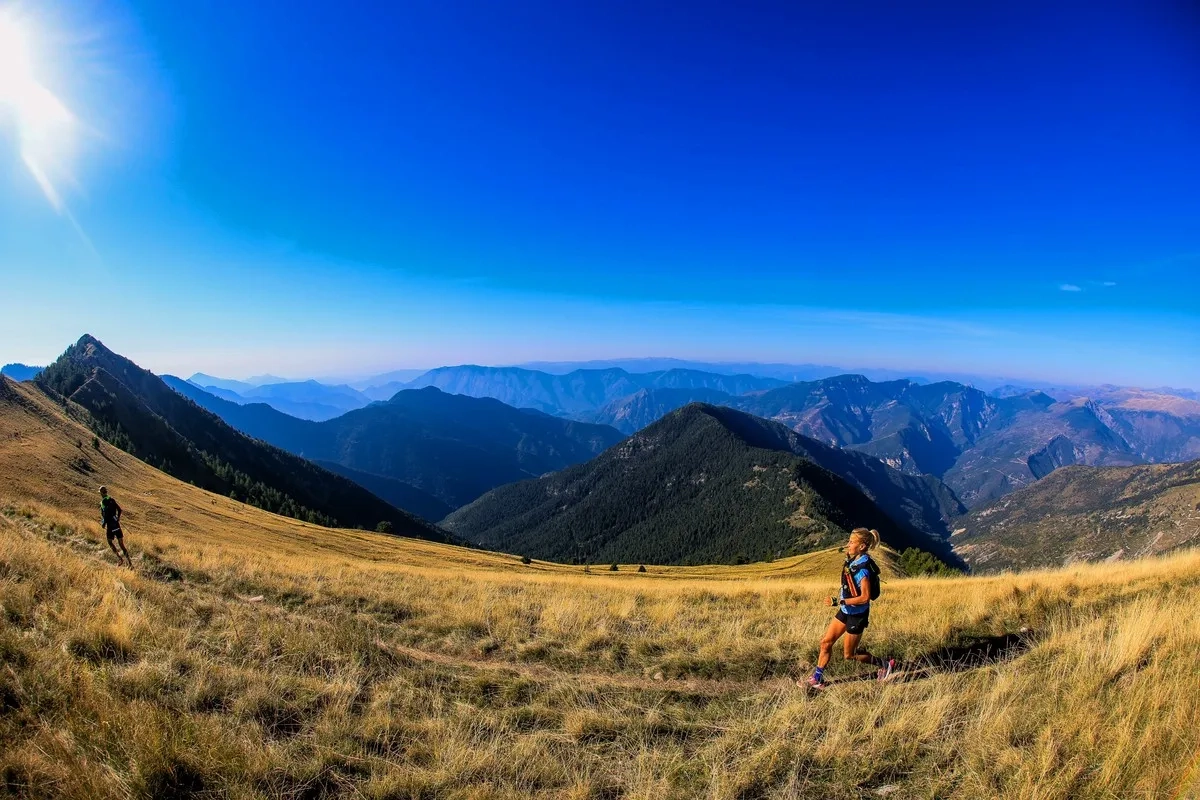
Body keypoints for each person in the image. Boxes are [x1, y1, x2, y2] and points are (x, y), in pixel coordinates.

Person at [804, 527, 895, 689]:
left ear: (862, 546)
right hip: (846, 611)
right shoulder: (854, 560)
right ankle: (817, 679)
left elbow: (865, 597)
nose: (848, 544)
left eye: (852, 542)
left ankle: (885, 664)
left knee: (849, 655)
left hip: (857, 615)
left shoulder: (863, 570)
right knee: (825, 642)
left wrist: (840, 602)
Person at [99, 486, 133, 568]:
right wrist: (118, 518)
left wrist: (103, 524)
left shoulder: (103, 502)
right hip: (116, 524)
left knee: (110, 542)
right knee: (121, 544)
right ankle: (130, 564)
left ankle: (120, 559)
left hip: (110, 526)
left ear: (101, 493)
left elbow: (105, 515)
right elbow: (120, 510)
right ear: (106, 492)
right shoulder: (112, 499)